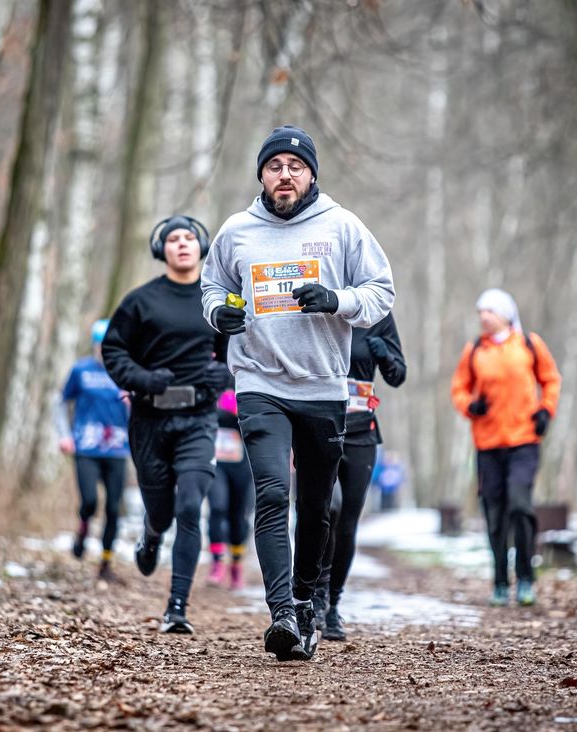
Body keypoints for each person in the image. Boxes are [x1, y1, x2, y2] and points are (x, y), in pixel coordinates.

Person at [201, 124, 395, 661]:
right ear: (261, 175)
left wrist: (336, 299)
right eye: (273, 166)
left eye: (295, 166)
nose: (284, 175)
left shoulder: (342, 226)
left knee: (317, 507)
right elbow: (213, 284)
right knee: (271, 494)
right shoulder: (237, 230)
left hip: (323, 385)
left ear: (311, 173)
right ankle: (282, 611)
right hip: (259, 381)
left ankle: (309, 600)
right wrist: (219, 311)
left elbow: (381, 292)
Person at [102, 215, 230, 634]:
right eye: (172, 239)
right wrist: (141, 379)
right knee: (162, 509)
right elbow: (115, 350)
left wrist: (225, 373)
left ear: (201, 246)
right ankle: (152, 533)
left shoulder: (219, 300)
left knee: (191, 504)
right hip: (150, 420)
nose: (181, 244)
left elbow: (243, 348)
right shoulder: (140, 301)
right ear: (162, 249)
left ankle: (177, 607)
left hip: (198, 419)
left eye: (189, 238)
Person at [451, 288, 561, 607]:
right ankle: (500, 582)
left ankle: (526, 578)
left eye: (489, 311)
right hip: (488, 444)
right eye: (480, 312)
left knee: (519, 505)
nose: (483, 316)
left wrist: (546, 410)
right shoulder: (474, 350)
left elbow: (551, 378)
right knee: (495, 514)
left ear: (505, 315)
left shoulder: (529, 344)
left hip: (524, 440)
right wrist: (471, 406)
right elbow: (459, 388)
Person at [315, 313, 406, 641]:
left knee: (348, 521)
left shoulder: (378, 315)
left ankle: (333, 604)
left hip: (361, 433)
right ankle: (316, 592)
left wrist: (384, 354)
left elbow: (398, 375)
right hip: (319, 426)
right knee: (327, 508)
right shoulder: (319, 305)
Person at [56, 319, 129, 581]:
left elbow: (137, 411)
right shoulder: (81, 370)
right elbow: (61, 402)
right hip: (86, 447)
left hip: (117, 449)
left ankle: (106, 563)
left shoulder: (126, 372)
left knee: (112, 507)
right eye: (101, 345)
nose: (105, 350)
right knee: (89, 501)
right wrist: (65, 435)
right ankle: (83, 528)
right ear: (94, 345)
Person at [206, 388, 255, 590]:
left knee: (238, 516)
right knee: (217, 508)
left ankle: (236, 565)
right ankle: (217, 562)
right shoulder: (214, 376)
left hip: (242, 464)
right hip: (217, 464)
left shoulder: (250, 379)